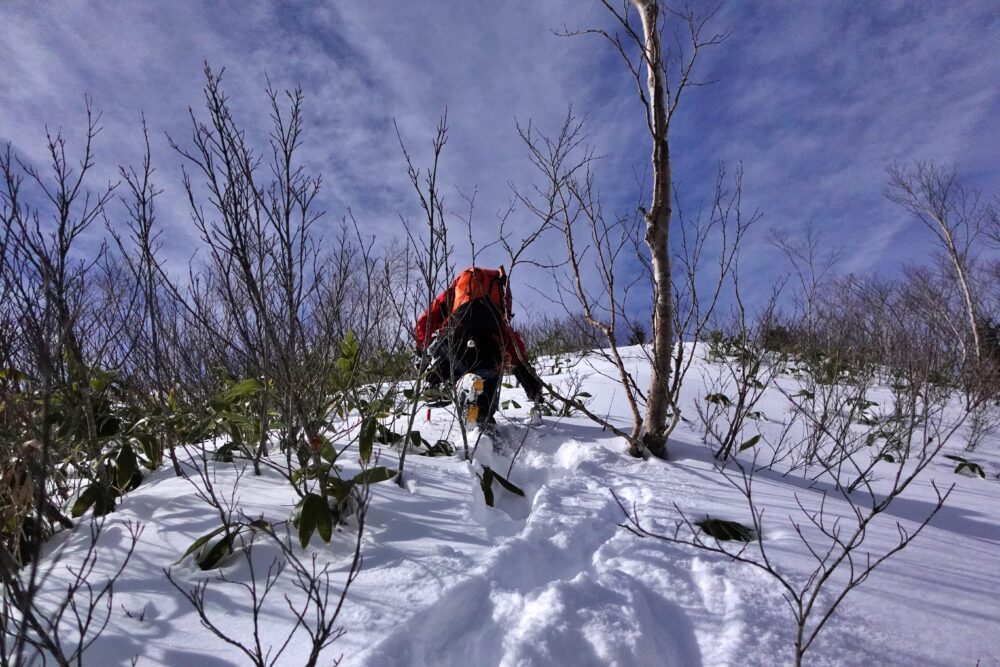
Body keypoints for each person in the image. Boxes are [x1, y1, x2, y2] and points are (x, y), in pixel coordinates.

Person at [415, 266, 544, 428]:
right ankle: (483, 421)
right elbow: (515, 349)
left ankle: (452, 386)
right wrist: (531, 385)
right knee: (488, 380)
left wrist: (423, 351)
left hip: (456, 342)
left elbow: (424, 321)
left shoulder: (456, 293)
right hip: (488, 348)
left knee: (443, 365)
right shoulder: (498, 316)